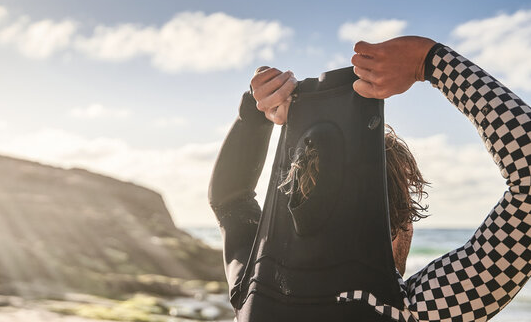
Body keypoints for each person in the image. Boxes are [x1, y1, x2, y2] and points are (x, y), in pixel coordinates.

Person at [209, 36, 531, 321]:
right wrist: (430, 61)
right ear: (397, 223)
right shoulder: (407, 311)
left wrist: (254, 112)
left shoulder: (254, 288)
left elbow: (230, 201)